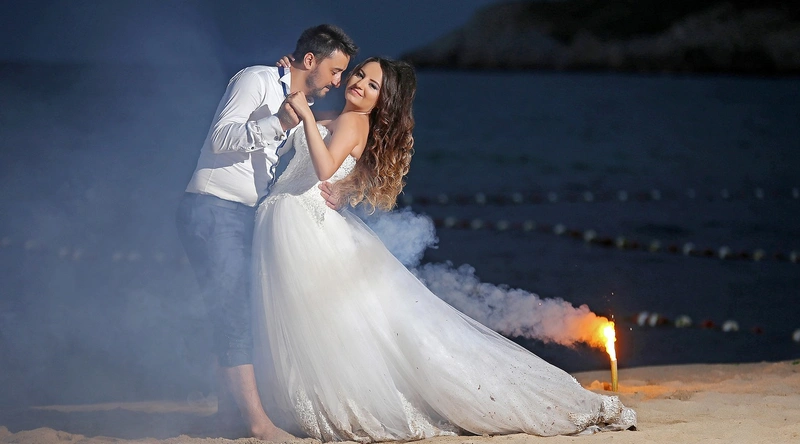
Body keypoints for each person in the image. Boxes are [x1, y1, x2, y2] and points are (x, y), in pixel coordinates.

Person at [250, 56, 637, 442]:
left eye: (373, 86)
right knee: (337, 321)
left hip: (303, 221)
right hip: (300, 218)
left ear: (382, 101)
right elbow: (323, 150)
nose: (360, 84)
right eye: (361, 75)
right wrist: (293, 81)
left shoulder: (352, 122)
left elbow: (323, 166)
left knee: (325, 319)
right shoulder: (343, 118)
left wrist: (305, 114)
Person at [175, 24, 357, 440]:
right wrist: (277, 122)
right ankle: (258, 424)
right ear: (309, 60)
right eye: (335, 71)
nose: (338, 81)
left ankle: (228, 418)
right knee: (234, 313)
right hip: (213, 208)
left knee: (241, 312)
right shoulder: (255, 79)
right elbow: (220, 138)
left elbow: (339, 131)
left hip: (245, 216)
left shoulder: (300, 101)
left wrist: (351, 183)